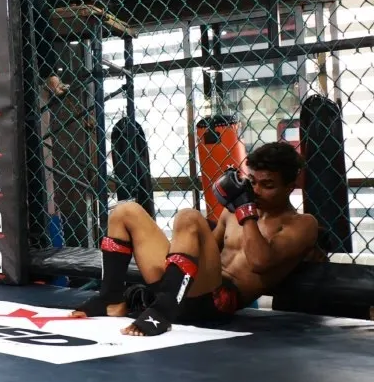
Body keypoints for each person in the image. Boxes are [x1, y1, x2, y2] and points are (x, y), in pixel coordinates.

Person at [71, 142, 319, 336]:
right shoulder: (232, 212)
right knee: (125, 211)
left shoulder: (301, 224)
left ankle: (162, 312)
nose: (255, 191)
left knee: (189, 216)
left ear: (290, 186)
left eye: (267, 185)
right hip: (187, 290)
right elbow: (204, 250)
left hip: (217, 303)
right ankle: (111, 298)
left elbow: (259, 262)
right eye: (252, 182)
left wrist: (246, 212)